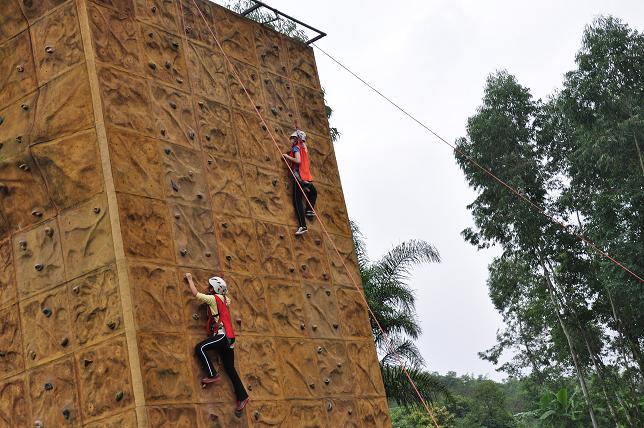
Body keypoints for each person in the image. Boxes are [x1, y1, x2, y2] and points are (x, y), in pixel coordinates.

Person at [185, 273, 250, 413]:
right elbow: (226, 301)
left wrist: (190, 279)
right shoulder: (225, 299)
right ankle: (243, 396)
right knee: (230, 368)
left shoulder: (213, 299)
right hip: (230, 338)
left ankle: (212, 374)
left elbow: (196, 294)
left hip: (222, 335)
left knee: (200, 348)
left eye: (210, 286)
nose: (207, 288)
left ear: (213, 289)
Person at [282, 129, 317, 235]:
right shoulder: (304, 149)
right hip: (306, 177)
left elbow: (298, 161)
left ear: (296, 139)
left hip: (298, 177)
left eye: (292, 138)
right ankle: (309, 210)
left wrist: (287, 156)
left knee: (297, 201)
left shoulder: (296, 148)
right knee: (313, 192)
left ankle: (303, 226)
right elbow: (303, 145)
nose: (291, 141)